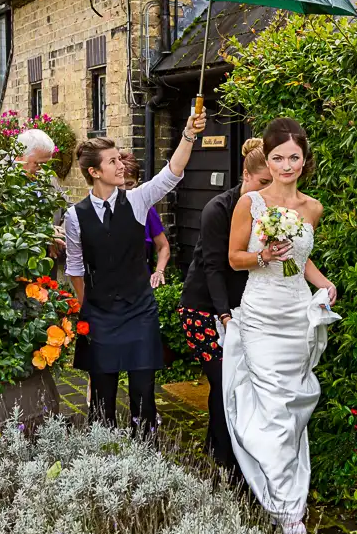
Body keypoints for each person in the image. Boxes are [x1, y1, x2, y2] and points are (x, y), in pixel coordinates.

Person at [224, 118, 341, 534]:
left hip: (296, 316)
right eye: (278, 158)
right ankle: (285, 505)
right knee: (274, 405)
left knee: (293, 407)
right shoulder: (250, 204)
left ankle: (285, 490)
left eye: (294, 157)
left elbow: (301, 260)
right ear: (267, 160)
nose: (286, 165)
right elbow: (235, 257)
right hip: (260, 315)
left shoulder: (313, 208)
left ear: (305, 159)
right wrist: (264, 256)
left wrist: (324, 283)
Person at [64, 109, 206, 434]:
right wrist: (90, 308)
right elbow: (74, 268)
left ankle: (145, 459)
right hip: (99, 315)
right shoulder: (74, 217)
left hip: (140, 311)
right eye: (113, 161)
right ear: (94, 171)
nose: (121, 166)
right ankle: (103, 463)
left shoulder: (139, 200)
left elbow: (172, 173)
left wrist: (188, 133)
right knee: (102, 397)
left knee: (143, 392)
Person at [179, 138, 272, 469]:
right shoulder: (218, 209)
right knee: (225, 384)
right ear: (246, 175)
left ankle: (216, 446)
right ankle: (226, 464)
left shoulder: (270, 212)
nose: (267, 191)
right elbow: (215, 268)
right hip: (203, 309)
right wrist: (224, 316)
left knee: (235, 385)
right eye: (263, 183)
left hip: (245, 309)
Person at [119, 151, 171, 289]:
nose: (125, 190)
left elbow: (163, 246)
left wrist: (159, 271)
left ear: (137, 182)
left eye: (129, 184)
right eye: (120, 185)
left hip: (140, 286)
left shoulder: (147, 211)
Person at [15, 128, 67, 263]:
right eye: (38, 164)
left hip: (49, 263)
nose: (43, 170)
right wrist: (45, 234)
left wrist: (60, 234)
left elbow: (68, 209)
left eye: (46, 164)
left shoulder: (47, 177)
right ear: (19, 156)